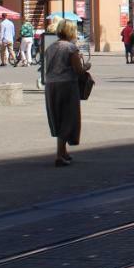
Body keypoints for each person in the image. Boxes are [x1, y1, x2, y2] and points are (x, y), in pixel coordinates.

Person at [43, 19, 89, 167]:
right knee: (68, 117)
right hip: (67, 85)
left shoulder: (50, 47)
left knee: (57, 117)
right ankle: (59, 155)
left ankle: (63, 152)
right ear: (71, 31)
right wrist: (86, 67)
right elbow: (78, 70)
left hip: (51, 85)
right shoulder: (71, 48)